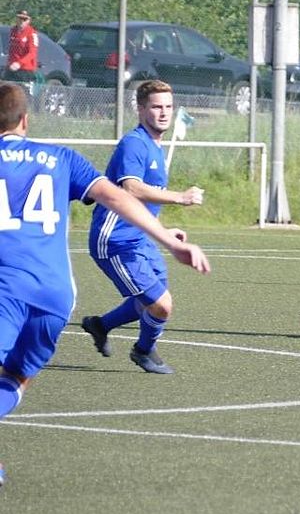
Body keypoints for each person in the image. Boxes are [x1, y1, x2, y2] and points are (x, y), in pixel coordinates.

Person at [0, 81, 210, 487]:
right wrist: (170, 242)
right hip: (55, 294)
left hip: (5, 285)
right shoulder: (62, 157)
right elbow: (119, 197)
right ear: (26, 120)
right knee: (17, 377)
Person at [81, 80, 205, 374]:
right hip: (115, 241)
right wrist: (180, 197)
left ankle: (101, 325)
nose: (164, 113)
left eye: (168, 107)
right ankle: (143, 351)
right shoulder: (134, 144)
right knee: (161, 305)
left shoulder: (155, 147)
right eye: (156, 107)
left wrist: (162, 231)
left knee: (151, 298)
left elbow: (141, 205)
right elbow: (132, 189)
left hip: (139, 238)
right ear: (140, 109)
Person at [3, 11, 39, 83]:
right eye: (20, 18)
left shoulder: (32, 33)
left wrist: (19, 63)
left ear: (29, 21)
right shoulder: (13, 31)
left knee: (21, 89)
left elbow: (32, 53)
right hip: (11, 67)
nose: (22, 21)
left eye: (24, 19)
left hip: (25, 70)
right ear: (17, 19)